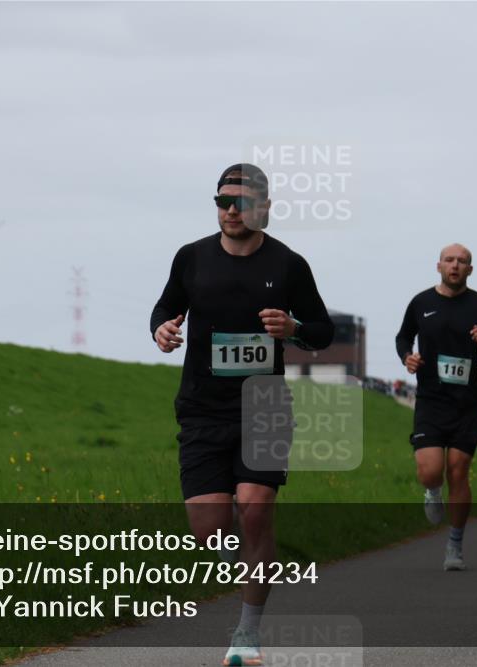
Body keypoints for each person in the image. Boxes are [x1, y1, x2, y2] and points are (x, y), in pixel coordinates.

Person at [150, 163, 334, 666]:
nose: (230, 210)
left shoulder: (289, 264)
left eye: (241, 202)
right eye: (222, 201)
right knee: (210, 530)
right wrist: (162, 331)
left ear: (265, 208)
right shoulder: (191, 258)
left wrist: (293, 326)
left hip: (265, 406)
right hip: (202, 409)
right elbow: (163, 307)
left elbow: (321, 330)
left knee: (256, 507)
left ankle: (247, 636)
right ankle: (255, 561)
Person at [396, 243, 477, 571]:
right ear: (439, 266)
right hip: (431, 400)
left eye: (462, 261)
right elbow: (403, 337)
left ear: (470, 270)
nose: (455, 265)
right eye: (450, 260)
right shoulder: (421, 303)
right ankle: (432, 492)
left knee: (458, 470)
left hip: (467, 403)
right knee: (431, 471)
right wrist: (408, 357)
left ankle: (455, 544)